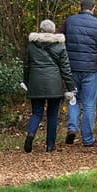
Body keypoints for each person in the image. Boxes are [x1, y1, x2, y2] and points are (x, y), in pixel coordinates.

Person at [59, 0, 97, 147]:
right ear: (93, 8)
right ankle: (88, 139)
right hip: (90, 70)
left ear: (80, 7)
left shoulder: (69, 21)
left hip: (71, 69)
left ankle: (72, 128)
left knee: (73, 99)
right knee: (89, 104)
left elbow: (58, 39)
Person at [22, 19, 75, 153]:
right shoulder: (60, 45)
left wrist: (27, 82)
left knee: (36, 112)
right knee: (52, 114)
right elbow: (65, 68)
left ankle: (30, 135)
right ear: (53, 30)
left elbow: (26, 66)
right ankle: (50, 145)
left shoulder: (32, 45)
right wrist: (70, 86)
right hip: (54, 84)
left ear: (40, 29)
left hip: (36, 82)